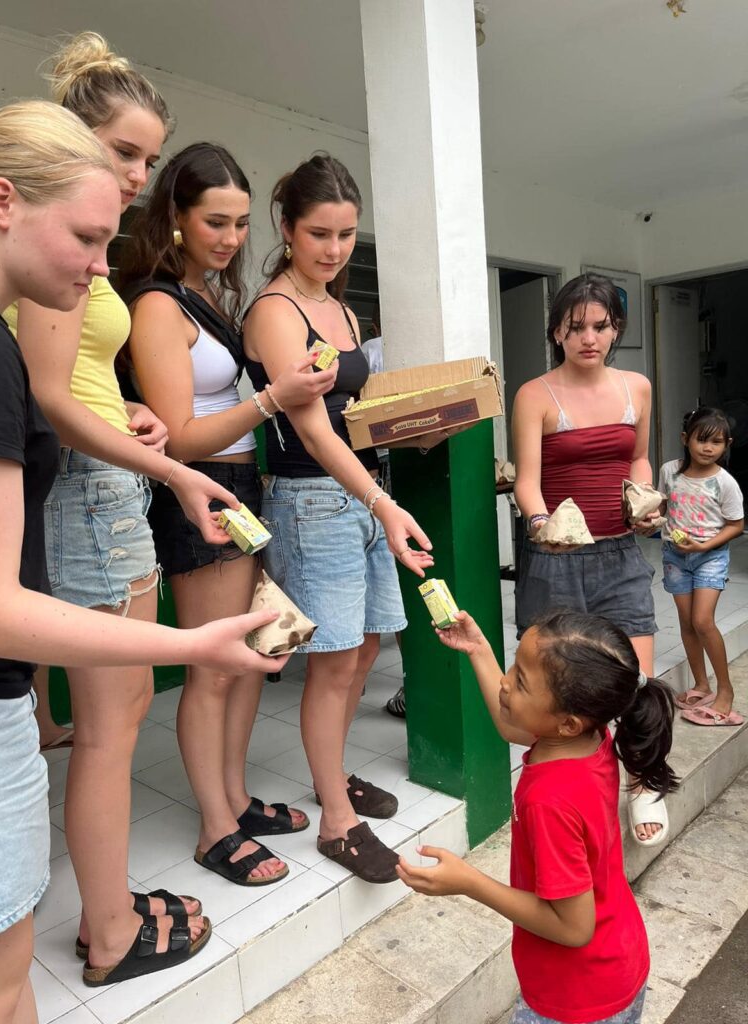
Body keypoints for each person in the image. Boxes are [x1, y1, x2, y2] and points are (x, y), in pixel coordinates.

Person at [0, 98, 291, 1024]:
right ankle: (111, 930)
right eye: (84, 234)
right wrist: (198, 647)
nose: (93, 263)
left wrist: (149, 446)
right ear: (4, 200)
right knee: (3, 973)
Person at [120, 141, 341, 885]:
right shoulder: (157, 302)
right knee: (215, 668)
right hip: (198, 493)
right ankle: (215, 827)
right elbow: (178, 435)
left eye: (243, 224)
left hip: (242, 491)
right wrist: (275, 397)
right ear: (175, 217)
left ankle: (237, 797)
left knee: (252, 660)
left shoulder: (210, 296)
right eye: (215, 222)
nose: (230, 238)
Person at [242, 153, 436, 883]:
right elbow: (315, 430)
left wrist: (411, 427)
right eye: (319, 233)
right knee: (330, 668)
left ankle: (335, 775)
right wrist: (383, 502)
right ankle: (335, 818)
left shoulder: (344, 309)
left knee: (360, 655)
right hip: (310, 501)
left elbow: (355, 414)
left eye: (348, 234)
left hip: (356, 493)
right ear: (286, 228)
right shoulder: (273, 311)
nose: (334, 249)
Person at [398, 608, 678, 1024]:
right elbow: (512, 725)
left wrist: (469, 882)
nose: (507, 683)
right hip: (615, 959)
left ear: (567, 722)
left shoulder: (549, 800)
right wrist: (478, 650)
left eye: (521, 681)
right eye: (513, 665)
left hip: (577, 997)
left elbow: (573, 928)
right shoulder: (592, 737)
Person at [511, 272, 666, 846]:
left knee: (637, 678)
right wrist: (539, 524)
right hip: (556, 558)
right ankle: (568, 789)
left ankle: (643, 781)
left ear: (616, 328)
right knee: (557, 684)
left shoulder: (637, 388)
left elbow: (641, 459)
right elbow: (528, 482)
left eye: (600, 326)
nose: (589, 337)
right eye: (575, 327)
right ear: (557, 331)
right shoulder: (535, 394)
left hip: (620, 551)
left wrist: (642, 501)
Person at [658, 407, 745, 725]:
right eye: (702, 440)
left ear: (727, 445)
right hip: (675, 556)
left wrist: (704, 545)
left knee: (703, 620)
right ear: (686, 439)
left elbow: (736, 524)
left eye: (717, 442)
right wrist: (647, 519)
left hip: (710, 556)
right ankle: (701, 684)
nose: (708, 448)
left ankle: (725, 690)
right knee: (686, 622)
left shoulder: (725, 483)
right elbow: (663, 507)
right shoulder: (670, 472)